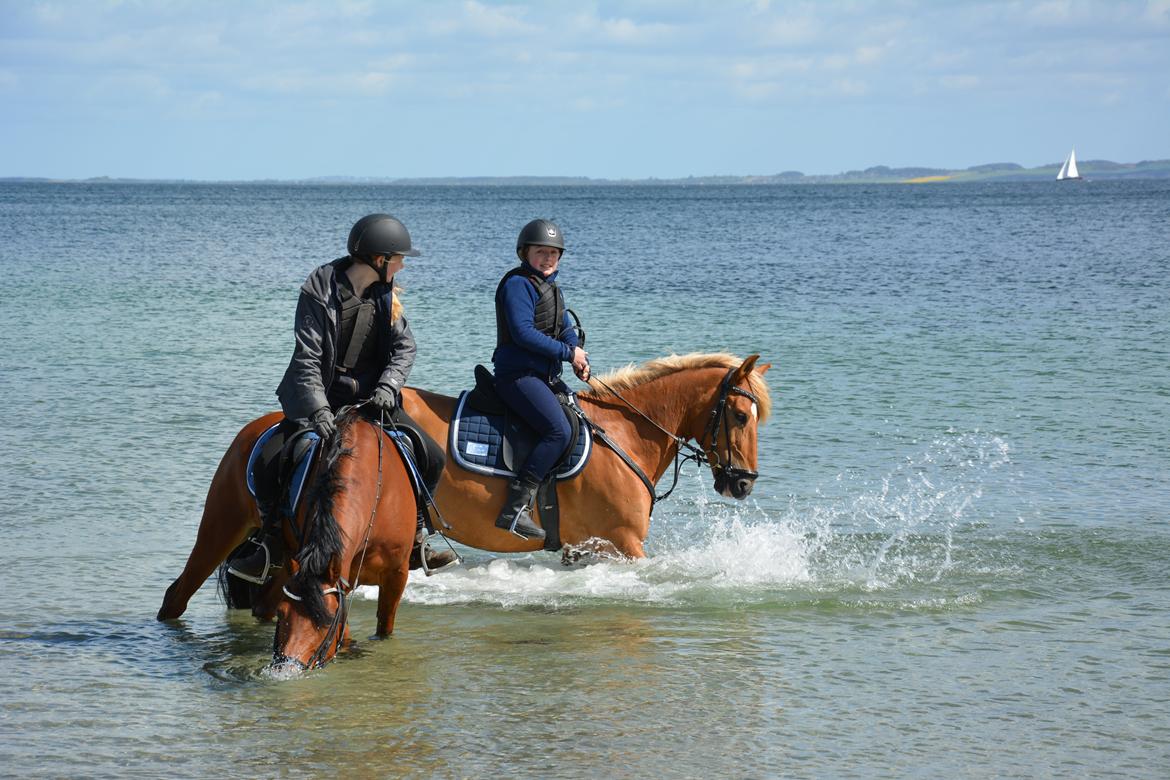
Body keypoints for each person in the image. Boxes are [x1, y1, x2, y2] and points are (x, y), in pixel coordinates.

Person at [229, 213, 455, 583]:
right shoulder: (319, 289)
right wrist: (318, 409)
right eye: (398, 258)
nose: (402, 265)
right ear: (378, 259)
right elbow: (307, 358)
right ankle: (269, 544)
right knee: (271, 461)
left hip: (372, 402)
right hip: (318, 398)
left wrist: (388, 386)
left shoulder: (387, 294)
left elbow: (405, 348)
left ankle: (418, 539)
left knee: (431, 457)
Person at [492, 219, 590, 540]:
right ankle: (515, 507)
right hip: (517, 376)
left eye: (553, 253)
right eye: (541, 252)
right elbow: (523, 334)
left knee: (579, 418)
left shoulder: (551, 288)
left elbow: (564, 329)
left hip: (544, 377)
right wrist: (566, 352)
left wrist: (577, 355)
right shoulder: (517, 285)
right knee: (558, 430)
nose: (547, 258)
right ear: (525, 253)